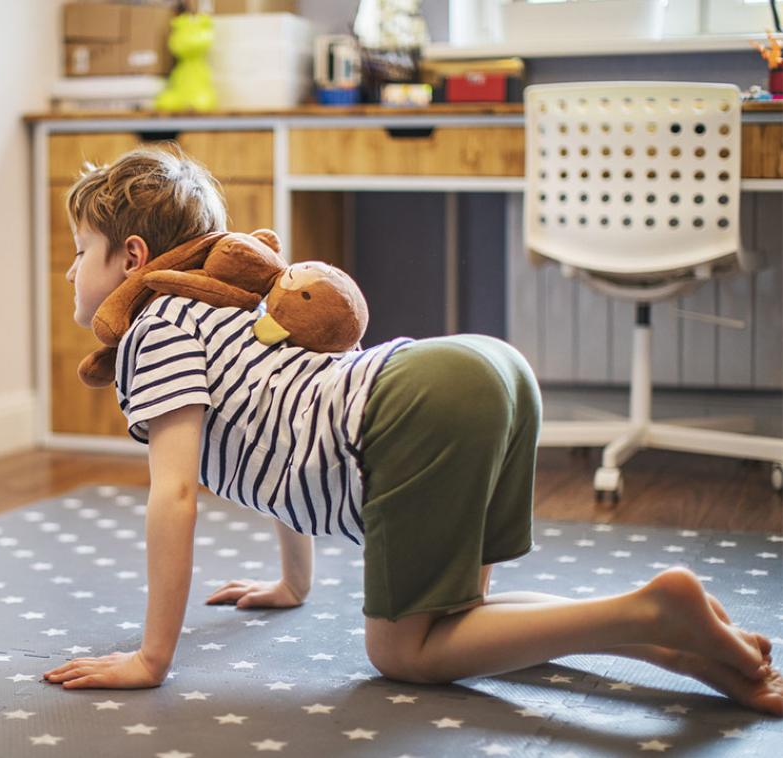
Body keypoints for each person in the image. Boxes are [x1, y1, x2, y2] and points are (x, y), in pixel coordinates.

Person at [40, 145, 783, 716]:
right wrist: (293, 584)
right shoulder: (232, 305)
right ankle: (677, 642)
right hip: (481, 369)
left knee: (405, 653)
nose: (70, 272)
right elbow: (277, 418)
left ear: (131, 256)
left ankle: (647, 610)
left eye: (79, 252)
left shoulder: (153, 330)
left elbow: (174, 494)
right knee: (456, 624)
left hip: (415, 407)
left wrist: (151, 658)